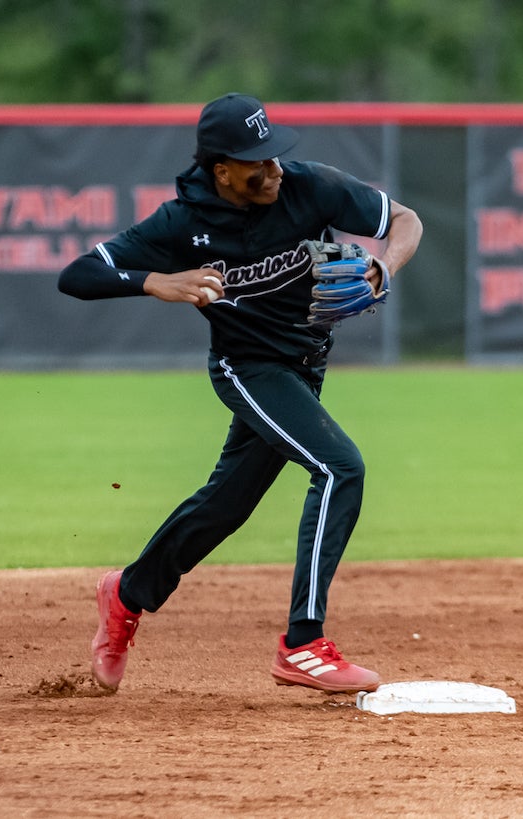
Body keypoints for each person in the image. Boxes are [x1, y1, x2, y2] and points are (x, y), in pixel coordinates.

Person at [58, 92, 422, 694]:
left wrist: (384, 267)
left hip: (305, 366)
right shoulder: (183, 223)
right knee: (340, 469)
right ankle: (303, 645)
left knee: (226, 507)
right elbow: (78, 275)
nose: (273, 169)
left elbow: (404, 221)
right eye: (257, 163)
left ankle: (126, 594)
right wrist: (158, 282)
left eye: (275, 155)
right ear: (220, 170)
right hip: (247, 370)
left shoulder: (311, 188)